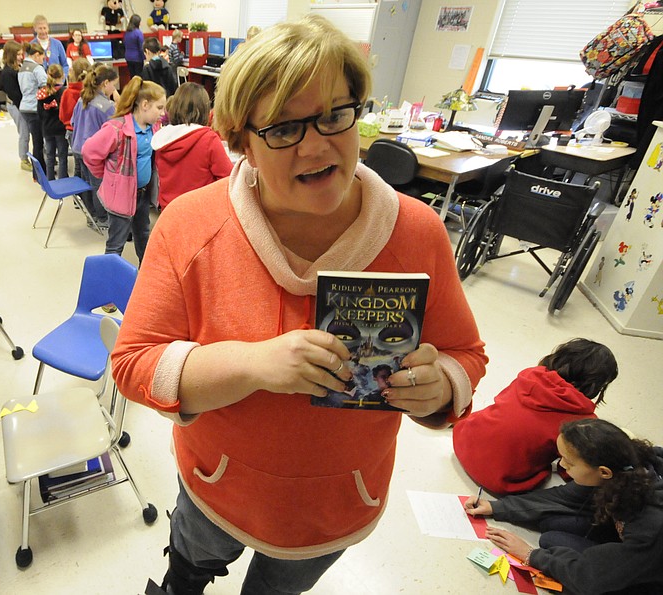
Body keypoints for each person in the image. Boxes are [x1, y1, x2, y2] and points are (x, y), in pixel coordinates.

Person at [110, 15, 487, 595]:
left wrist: (441, 386)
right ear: (240, 143)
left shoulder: (417, 232)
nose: (318, 144)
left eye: (336, 113)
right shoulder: (191, 225)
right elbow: (134, 362)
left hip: (335, 503)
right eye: (284, 127)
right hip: (216, 484)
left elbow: (465, 352)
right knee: (190, 566)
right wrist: (255, 366)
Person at [465, 419, 663, 595]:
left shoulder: (650, 529)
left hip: (651, 573)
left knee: (553, 542)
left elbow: (590, 579)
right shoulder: (626, 464)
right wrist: (496, 507)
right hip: (636, 545)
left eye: (569, 462)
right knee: (553, 525)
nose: (562, 465)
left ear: (604, 472)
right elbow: (565, 496)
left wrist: (530, 555)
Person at [453, 338, 618, 495]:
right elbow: (573, 464)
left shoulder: (529, 376)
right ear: (597, 385)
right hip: (502, 480)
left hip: (463, 441)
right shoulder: (583, 420)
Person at [82, 77, 165, 260]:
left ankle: (146, 278)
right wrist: (106, 176)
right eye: (159, 108)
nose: (162, 113)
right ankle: (110, 282)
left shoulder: (153, 127)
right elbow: (89, 151)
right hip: (121, 195)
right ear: (144, 105)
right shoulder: (117, 129)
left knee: (143, 235)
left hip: (142, 194)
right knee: (115, 244)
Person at [151, 82, 231, 209]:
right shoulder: (208, 139)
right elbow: (228, 178)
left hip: (169, 210)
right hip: (199, 211)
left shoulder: (161, 139)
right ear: (204, 110)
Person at [71, 64, 119, 229]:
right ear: (106, 83)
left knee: (87, 183)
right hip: (93, 154)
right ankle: (102, 219)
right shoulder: (107, 106)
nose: (115, 88)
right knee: (99, 186)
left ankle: (91, 216)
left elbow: (72, 122)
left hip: (78, 147)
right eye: (114, 84)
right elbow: (113, 132)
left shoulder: (82, 98)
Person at [1, 40, 31, 170]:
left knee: (27, 132)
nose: (21, 57)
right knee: (24, 133)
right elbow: (14, 94)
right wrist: (25, 108)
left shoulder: (18, 67)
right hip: (16, 106)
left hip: (22, 104)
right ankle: (23, 159)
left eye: (21, 54)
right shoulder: (7, 72)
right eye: (18, 54)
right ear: (11, 55)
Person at [18, 43, 47, 175]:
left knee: (35, 139)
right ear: (36, 55)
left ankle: (38, 171)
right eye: (42, 57)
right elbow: (45, 86)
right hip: (35, 108)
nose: (43, 60)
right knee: (38, 142)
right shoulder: (37, 68)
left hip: (24, 107)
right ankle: (39, 173)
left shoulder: (22, 68)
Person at [60, 58, 91, 178]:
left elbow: (62, 116)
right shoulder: (89, 93)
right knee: (88, 165)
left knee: (78, 165)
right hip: (87, 132)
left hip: (71, 131)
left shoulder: (67, 92)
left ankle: (79, 194)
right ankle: (86, 193)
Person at [37, 64, 68, 180]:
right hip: (60, 129)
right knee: (62, 156)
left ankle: (50, 179)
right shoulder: (64, 92)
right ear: (62, 76)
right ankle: (63, 180)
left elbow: (39, 113)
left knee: (50, 156)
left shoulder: (42, 93)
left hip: (47, 129)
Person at [32, 14, 68, 79]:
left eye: (44, 28)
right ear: (35, 29)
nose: (43, 31)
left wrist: (62, 79)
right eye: (40, 28)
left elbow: (65, 65)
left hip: (56, 83)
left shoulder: (57, 44)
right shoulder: (31, 45)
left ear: (48, 28)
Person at [124, 14, 145, 78]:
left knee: (132, 76)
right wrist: (144, 58)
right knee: (138, 77)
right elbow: (141, 47)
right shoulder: (138, 33)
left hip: (128, 57)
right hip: (137, 58)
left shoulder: (127, 32)